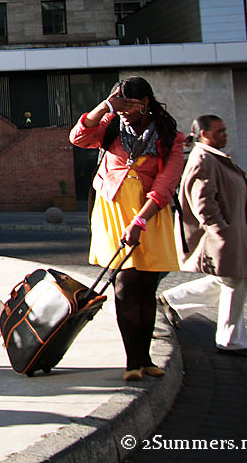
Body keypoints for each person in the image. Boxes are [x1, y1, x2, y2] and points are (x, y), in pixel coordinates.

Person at [69, 76, 184, 382]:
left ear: (145, 102)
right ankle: (133, 361)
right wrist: (105, 106)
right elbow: (78, 137)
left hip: (149, 214)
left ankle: (145, 359)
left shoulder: (170, 136)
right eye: (117, 105)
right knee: (124, 283)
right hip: (113, 211)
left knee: (146, 285)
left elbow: (166, 184)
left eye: (128, 105)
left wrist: (140, 221)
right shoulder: (110, 124)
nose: (122, 112)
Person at [157, 116, 247, 357]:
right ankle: (230, 341)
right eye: (219, 131)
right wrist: (219, 229)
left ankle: (173, 301)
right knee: (234, 281)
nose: (225, 135)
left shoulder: (213, 157)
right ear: (204, 134)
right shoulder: (203, 158)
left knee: (232, 280)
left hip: (230, 233)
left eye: (225, 130)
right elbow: (202, 201)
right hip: (220, 236)